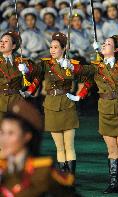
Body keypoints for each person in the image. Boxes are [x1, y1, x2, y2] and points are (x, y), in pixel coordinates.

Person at [67, 35, 118, 194]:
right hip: (104, 109)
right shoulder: (97, 66)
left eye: (108, 44)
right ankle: (112, 183)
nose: (104, 45)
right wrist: (68, 64)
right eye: (103, 43)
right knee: (111, 149)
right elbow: (83, 70)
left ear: (116, 49)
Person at [20, 32, 84, 176]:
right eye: (51, 47)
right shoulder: (45, 64)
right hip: (51, 105)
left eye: (56, 47)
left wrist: (79, 94)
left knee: (69, 145)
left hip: (67, 105)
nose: (52, 50)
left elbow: (85, 76)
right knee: (59, 147)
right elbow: (35, 74)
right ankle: (64, 178)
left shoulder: (72, 64)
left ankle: (71, 178)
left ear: (64, 48)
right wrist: (25, 70)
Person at [0, 100, 76, 196]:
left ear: (27, 136)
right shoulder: (2, 167)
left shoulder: (43, 171)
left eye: (11, 133)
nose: (3, 139)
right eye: (2, 132)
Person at [0, 31, 37, 120]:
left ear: (13, 46)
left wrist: (28, 91)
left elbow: (37, 76)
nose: (2, 43)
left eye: (6, 41)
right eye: (1, 41)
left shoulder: (23, 62)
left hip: (17, 100)